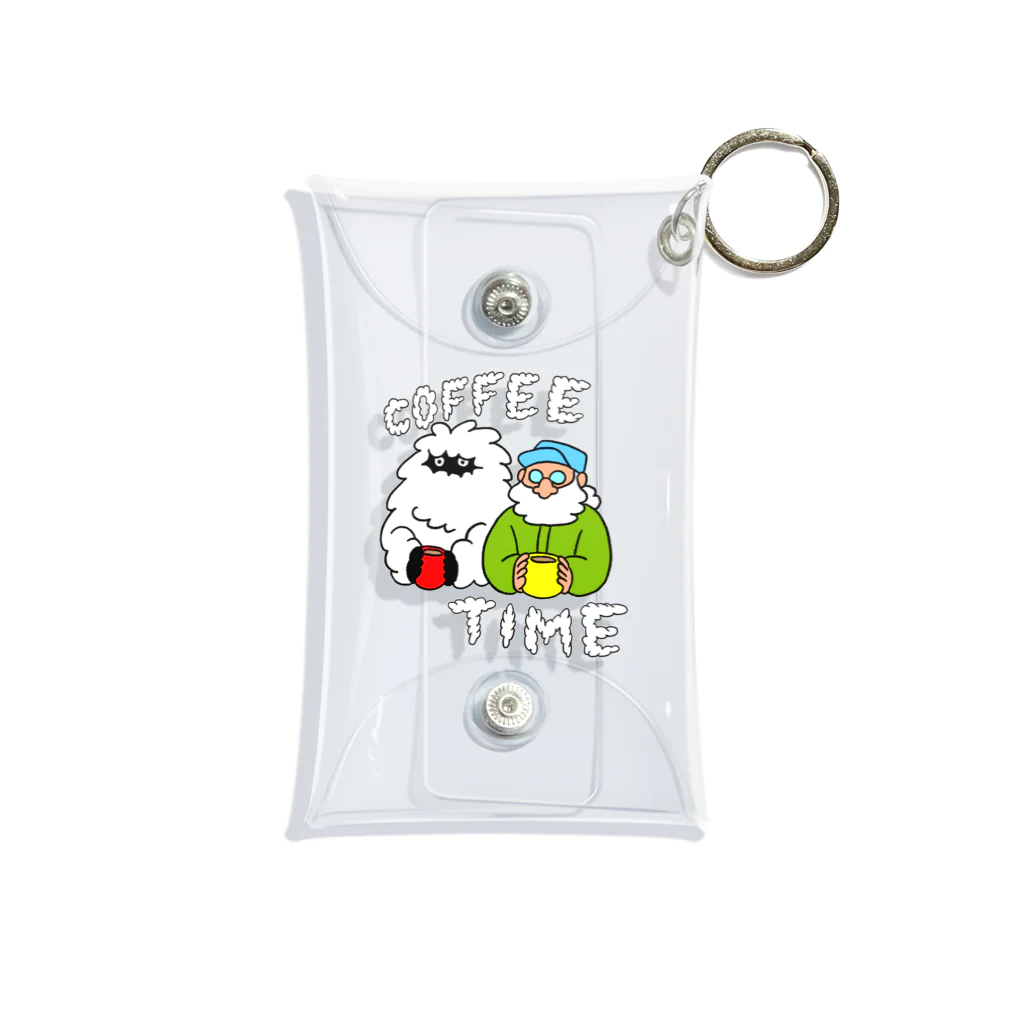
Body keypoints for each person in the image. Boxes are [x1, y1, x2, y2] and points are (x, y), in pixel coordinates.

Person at [482, 440, 611, 597]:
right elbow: (494, 556)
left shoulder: (588, 519)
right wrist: (510, 574)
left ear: (580, 480)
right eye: (535, 476)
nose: (544, 486)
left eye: (558, 477)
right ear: (522, 476)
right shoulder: (512, 517)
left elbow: (597, 560)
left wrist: (574, 577)